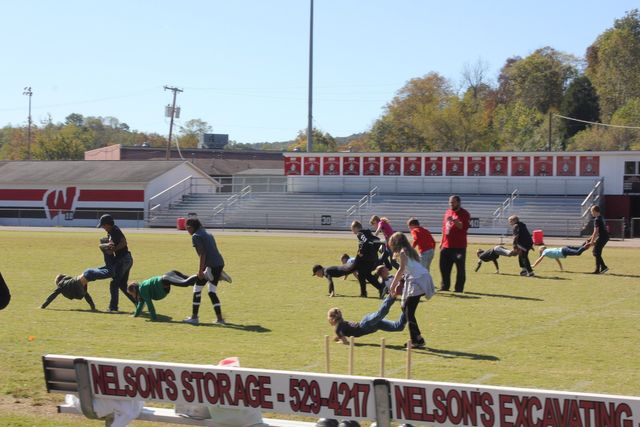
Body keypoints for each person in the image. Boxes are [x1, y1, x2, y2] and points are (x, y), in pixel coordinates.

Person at [388, 232, 436, 349]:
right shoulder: (408, 250)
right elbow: (407, 271)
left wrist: (393, 286)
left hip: (419, 280)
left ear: (396, 243)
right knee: (406, 308)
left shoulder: (404, 252)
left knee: (409, 311)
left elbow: (401, 270)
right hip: (420, 279)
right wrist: (399, 283)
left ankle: (415, 340)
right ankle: (418, 338)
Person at [183, 218, 226, 325]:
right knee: (212, 291)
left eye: (187, 228)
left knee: (197, 288)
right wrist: (218, 270)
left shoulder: (196, 236)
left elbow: (203, 254)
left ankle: (194, 317)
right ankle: (220, 319)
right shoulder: (207, 233)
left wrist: (201, 271)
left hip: (211, 266)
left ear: (192, 227)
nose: (187, 230)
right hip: (219, 264)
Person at [327, 295, 406, 344]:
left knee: (381, 314)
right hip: (372, 327)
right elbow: (339, 336)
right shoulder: (340, 326)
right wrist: (336, 339)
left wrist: (339, 342)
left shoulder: (338, 329)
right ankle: (407, 308)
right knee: (399, 327)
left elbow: (345, 341)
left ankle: (391, 296)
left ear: (332, 319)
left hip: (366, 324)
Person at [97, 214, 136, 312]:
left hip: (123, 260)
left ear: (108, 224)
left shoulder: (114, 230)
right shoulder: (112, 231)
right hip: (127, 259)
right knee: (122, 285)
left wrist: (114, 249)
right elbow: (114, 242)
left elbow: (124, 242)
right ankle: (138, 301)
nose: (103, 227)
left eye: (103, 225)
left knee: (114, 284)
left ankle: (113, 307)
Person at [128, 271, 198, 321]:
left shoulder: (143, 291)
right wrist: (135, 315)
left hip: (165, 280)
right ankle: (201, 278)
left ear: (134, 290)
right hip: (167, 277)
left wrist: (153, 318)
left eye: (132, 294)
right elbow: (140, 304)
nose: (133, 297)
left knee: (185, 283)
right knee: (187, 282)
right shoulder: (141, 290)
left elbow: (150, 305)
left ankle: (200, 276)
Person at [439, 195, 470, 292]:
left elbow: (462, 227)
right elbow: (444, 228)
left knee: (460, 269)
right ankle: (445, 286)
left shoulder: (464, 213)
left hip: (459, 247)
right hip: (446, 245)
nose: (451, 204)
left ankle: (459, 289)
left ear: (458, 203)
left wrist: (454, 220)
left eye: (453, 202)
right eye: (450, 202)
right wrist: (441, 241)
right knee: (443, 267)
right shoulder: (448, 212)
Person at [351, 221, 385, 298]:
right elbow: (377, 240)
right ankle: (379, 288)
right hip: (373, 258)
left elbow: (365, 242)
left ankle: (366, 292)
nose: (352, 231)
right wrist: (374, 251)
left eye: (352, 229)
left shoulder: (360, 234)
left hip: (367, 259)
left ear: (356, 228)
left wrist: (361, 252)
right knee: (366, 275)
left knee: (362, 275)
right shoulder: (367, 233)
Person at [587, 205, 609, 274]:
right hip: (605, 237)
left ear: (595, 211)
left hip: (602, 237)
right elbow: (598, 231)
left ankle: (603, 267)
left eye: (591, 211)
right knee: (597, 252)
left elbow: (596, 232)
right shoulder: (601, 217)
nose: (591, 213)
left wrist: (591, 241)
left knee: (595, 252)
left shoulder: (596, 219)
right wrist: (590, 239)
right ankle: (598, 270)